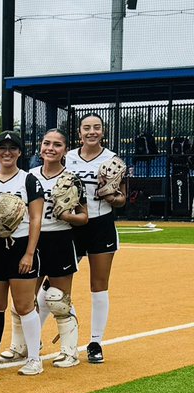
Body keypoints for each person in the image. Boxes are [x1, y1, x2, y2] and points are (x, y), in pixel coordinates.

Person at [65, 113, 128, 363]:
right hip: (72, 224)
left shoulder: (113, 159)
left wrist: (110, 195)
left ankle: (95, 342)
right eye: (87, 128)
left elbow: (122, 199)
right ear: (79, 132)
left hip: (101, 224)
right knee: (55, 283)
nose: (92, 131)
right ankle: (32, 335)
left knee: (98, 285)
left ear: (103, 132)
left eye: (97, 128)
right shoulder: (68, 158)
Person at [0, 131, 47, 376]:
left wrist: (29, 254)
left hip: (20, 246)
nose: (7, 152)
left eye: (12, 148)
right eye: (2, 148)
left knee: (24, 305)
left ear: (20, 152)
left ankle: (34, 357)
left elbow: (35, 218)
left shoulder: (28, 180)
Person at [29, 129, 88, 368]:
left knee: (58, 299)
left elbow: (84, 217)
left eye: (57, 145)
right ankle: (26, 346)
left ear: (65, 150)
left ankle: (69, 350)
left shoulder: (72, 179)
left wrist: (66, 215)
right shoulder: (28, 176)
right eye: (46, 143)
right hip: (31, 240)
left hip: (60, 239)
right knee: (26, 299)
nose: (50, 148)